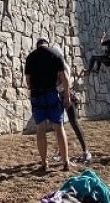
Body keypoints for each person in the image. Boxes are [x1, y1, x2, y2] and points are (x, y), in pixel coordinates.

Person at [25, 38, 73, 173]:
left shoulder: (30, 57)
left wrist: (34, 88)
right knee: (59, 127)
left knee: (40, 129)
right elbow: (64, 77)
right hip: (52, 94)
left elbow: (28, 81)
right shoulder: (55, 55)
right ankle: (65, 162)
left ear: (37, 45)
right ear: (47, 44)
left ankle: (44, 163)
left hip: (37, 96)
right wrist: (67, 95)